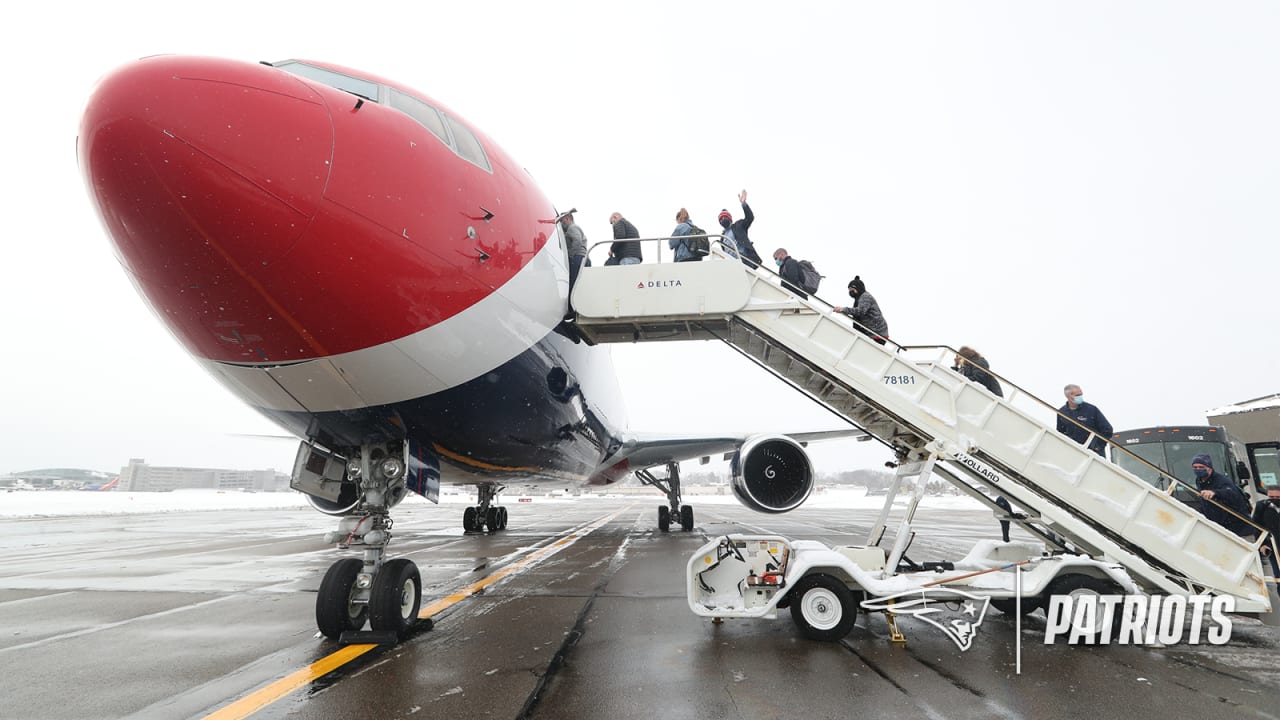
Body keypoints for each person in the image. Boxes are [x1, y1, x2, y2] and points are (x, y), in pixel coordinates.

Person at [1192, 454, 1254, 538]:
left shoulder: (1222, 480)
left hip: (1238, 527)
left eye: (1201, 467)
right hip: (1219, 526)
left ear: (1209, 467)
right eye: (1195, 467)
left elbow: (1232, 493)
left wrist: (1214, 493)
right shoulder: (1199, 481)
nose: (1198, 469)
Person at [1055, 384, 1113, 456]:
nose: (1080, 397)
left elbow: (1107, 429)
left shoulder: (1091, 409)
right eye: (1077, 395)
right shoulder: (1062, 413)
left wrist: (1098, 446)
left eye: (1081, 394)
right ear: (1069, 396)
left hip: (1094, 453)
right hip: (1074, 453)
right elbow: (1060, 433)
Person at [833, 276, 889, 344]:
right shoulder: (859, 298)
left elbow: (860, 311)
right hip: (872, 332)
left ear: (858, 288)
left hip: (877, 333)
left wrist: (843, 309)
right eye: (849, 289)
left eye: (852, 289)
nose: (850, 291)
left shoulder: (865, 297)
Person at [717, 190, 762, 267]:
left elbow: (750, 218)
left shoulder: (739, 226)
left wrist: (744, 204)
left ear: (730, 218)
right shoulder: (722, 238)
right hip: (732, 264)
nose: (723, 219)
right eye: (721, 219)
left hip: (744, 261)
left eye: (725, 217)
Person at [1252, 485, 1280, 574]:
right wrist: (1262, 545)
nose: (1274, 499)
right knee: (1278, 575)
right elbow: (1257, 526)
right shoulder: (1262, 507)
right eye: (1271, 497)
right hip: (1273, 546)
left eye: (1278, 497)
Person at [560, 211, 589, 289]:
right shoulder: (573, 228)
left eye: (561, 220)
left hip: (577, 257)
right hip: (580, 257)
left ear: (567, 219)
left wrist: (570, 255)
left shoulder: (572, 227)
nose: (561, 223)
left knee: (573, 282)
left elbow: (577, 240)